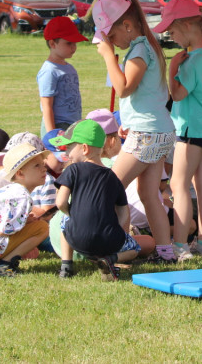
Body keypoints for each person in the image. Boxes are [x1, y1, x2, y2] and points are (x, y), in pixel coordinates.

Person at [93, 0, 178, 264]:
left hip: (148, 133)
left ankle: (120, 246)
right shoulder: (148, 46)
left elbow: (124, 87)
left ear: (128, 26)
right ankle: (165, 252)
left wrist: (109, 56)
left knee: (110, 188)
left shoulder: (139, 49)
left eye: (111, 35)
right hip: (159, 131)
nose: (111, 42)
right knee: (147, 194)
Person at [152, 0, 202, 260]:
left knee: (178, 185)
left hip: (191, 130)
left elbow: (179, 95)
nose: (171, 38)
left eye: (171, 31)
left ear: (185, 25)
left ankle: (180, 245)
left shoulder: (191, 61)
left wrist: (172, 68)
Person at [52, 120, 148, 281]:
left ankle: (66, 266)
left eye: (69, 147)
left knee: (64, 221)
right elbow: (124, 212)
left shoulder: (73, 170)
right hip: (108, 241)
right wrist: (119, 233)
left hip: (77, 238)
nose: (67, 153)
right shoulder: (113, 177)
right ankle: (110, 260)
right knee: (135, 249)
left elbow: (60, 202)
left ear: (84, 148)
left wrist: (73, 214)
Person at [0, 142, 50, 277]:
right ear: (20, 173)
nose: (44, 169)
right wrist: (24, 223)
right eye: (37, 166)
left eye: (42, 164)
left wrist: (24, 221)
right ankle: (3, 265)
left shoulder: (10, 191)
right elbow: (5, 229)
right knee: (41, 227)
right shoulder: (22, 196)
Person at [38, 16, 87, 136]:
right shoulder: (49, 71)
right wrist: (51, 135)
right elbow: (46, 106)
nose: (73, 47)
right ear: (52, 43)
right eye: (68, 43)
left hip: (72, 125)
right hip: (57, 127)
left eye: (75, 43)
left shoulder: (70, 68)